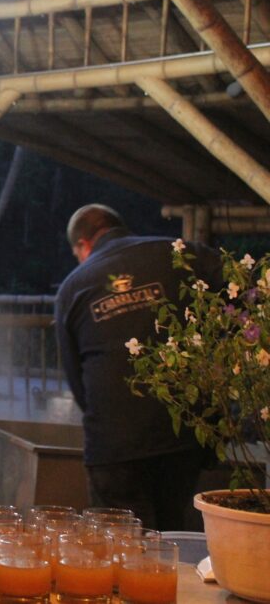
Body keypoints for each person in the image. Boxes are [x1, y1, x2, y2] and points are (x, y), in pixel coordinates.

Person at [54, 204, 220, 530]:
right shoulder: (180, 252)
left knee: (122, 550)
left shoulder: (73, 287)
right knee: (173, 536)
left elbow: (76, 379)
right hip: (182, 435)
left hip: (114, 444)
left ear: (83, 246)